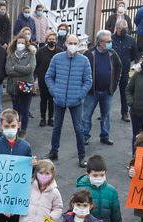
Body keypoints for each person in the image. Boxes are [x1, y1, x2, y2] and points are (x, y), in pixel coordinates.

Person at [45, 33, 92, 167]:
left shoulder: (84, 61)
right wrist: (54, 92)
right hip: (59, 99)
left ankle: (82, 156)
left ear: (78, 45)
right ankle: (54, 151)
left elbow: (88, 81)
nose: (72, 46)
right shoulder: (57, 58)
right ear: (65, 43)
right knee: (56, 127)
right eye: (70, 43)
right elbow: (49, 77)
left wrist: (80, 95)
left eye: (75, 43)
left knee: (78, 129)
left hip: (76, 101)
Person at [82, 30, 122, 146]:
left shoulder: (113, 54)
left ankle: (105, 136)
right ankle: (84, 136)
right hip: (92, 92)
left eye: (110, 41)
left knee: (106, 115)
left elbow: (119, 68)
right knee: (86, 116)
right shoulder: (89, 54)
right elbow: (83, 71)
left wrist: (114, 86)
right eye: (108, 41)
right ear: (100, 42)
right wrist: (86, 86)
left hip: (107, 92)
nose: (110, 43)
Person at [5, 31, 38, 138]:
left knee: (25, 110)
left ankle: (23, 130)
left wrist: (15, 67)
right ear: (15, 43)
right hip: (14, 87)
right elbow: (8, 70)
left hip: (26, 87)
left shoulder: (31, 55)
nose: (20, 44)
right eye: (19, 42)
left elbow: (30, 69)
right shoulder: (10, 55)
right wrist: (21, 69)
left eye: (22, 43)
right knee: (16, 110)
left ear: (26, 44)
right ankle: (15, 129)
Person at [76, 155, 123, 222]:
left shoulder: (112, 192)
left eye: (102, 175)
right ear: (88, 174)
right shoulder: (81, 191)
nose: (99, 178)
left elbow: (116, 216)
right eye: (95, 175)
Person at [113, 21, 141, 123]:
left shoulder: (131, 40)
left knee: (124, 92)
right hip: (111, 71)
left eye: (125, 28)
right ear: (117, 28)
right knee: (107, 92)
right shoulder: (111, 39)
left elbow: (135, 55)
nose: (123, 30)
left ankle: (125, 112)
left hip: (124, 70)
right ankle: (104, 112)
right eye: (121, 28)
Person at [36, 31, 63, 127]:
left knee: (52, 100)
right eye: (50, 39)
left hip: (55, 81)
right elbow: (37, 65)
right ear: (47, 40)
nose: (51, 41)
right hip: (43, 80)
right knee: (43, 99)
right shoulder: (40, 51)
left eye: (53, 39)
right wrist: (36, 78)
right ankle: (43, 118)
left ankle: (51, 118)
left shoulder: (60, 52)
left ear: (56, 40)